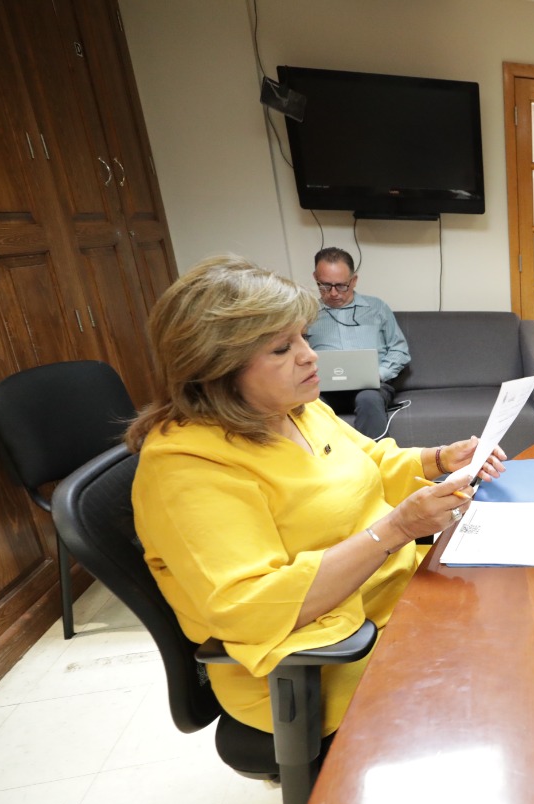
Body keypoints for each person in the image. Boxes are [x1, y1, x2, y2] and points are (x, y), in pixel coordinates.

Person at [125, 255, 506, 736]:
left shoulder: (298, 410)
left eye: (303, 336)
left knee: (522, 627)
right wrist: (397, 529)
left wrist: (438, 459)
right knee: (507, 691)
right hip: (322, 660)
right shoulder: (187, 467)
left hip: (397, 603)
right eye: (282, 348)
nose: (310, 355)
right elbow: (250, 607)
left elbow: (372, 465)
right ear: (216, 365)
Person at [304, 247, 410, 439]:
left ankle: (378, 462)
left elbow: (399, 350)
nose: (333, 293)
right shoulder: (306, 313)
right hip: (322, 387)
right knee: (310, 403)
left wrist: (378, 374)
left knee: (368, 398)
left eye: (341, 286)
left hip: (372, 388)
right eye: (325, 286)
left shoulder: (376, 308)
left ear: (354, 280)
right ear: (315, 278)